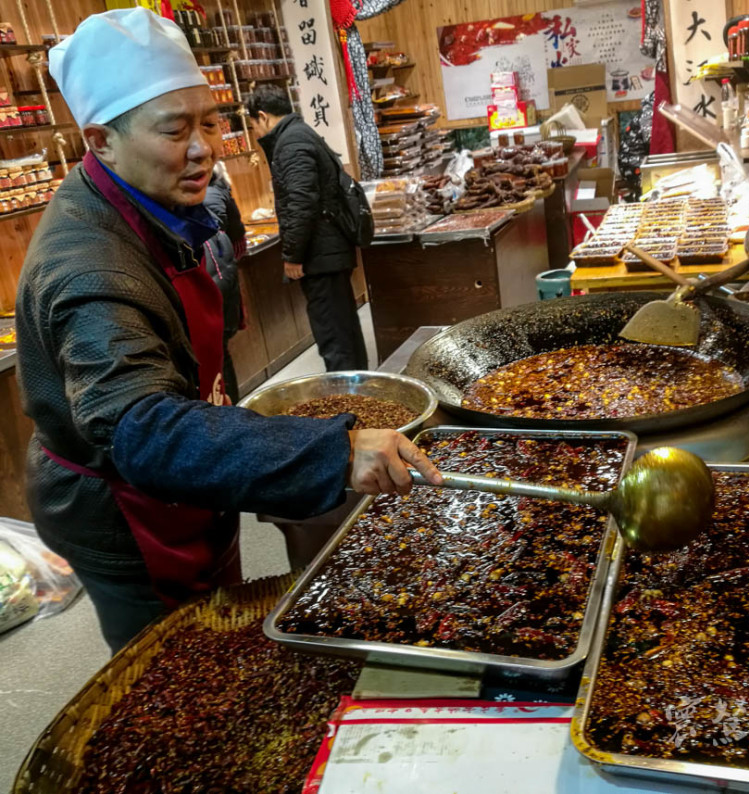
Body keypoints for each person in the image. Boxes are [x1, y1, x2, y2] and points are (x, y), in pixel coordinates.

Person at [15, 9, 441, 654]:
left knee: (224, 629)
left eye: (209, 122)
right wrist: (333, 451)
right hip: (121, 506)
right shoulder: (88, 263)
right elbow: (138, 425)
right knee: (170, 665)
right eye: (174, 129)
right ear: (100, 140)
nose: (203, 148)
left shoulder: (149, 205)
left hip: (178, 478)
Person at [246, 84, 369, 373]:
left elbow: (302, 203)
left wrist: (292, 256)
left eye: (253, 125)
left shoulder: (290, 144)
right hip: (331, 248)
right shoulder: (301, 133)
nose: (255, 133)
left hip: (321, 254)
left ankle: (349, 402)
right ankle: (361, 390)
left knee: (334, 335)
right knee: (344, 326)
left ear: (262, 116)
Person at [203, 162, 245, 401]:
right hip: (223, 292)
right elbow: (237, 239)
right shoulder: (219, 191)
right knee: (221, 357)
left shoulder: (200, 210)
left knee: (217, 358)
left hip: (215, 295)